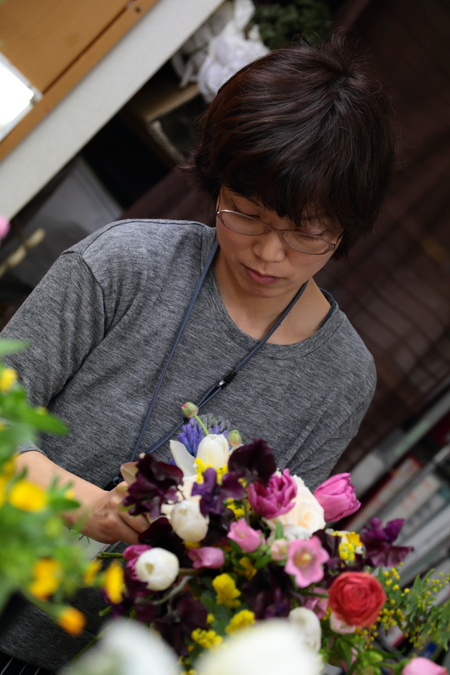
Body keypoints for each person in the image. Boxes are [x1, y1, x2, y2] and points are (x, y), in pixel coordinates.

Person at [0, 34, 396, 672]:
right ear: (217, 182)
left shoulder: (340, 380)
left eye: (305, 232)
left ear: (348, 224)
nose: (269, 252)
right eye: (246, 214)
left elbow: (269, 554)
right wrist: (91, 506)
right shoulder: (126, 262)